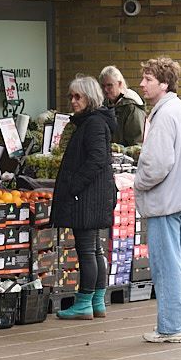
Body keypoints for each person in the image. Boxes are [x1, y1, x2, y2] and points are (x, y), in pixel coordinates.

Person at [133, 57, 181, 344]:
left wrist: (138, 183)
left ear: (164, 83)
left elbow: (157, 164)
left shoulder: (163, 116)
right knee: (179, 263)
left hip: (164, 201)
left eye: (148, 79)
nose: (142, 84)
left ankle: (170, 327)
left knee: (166, 266)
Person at [52, 75, 118, 320]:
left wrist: (73, 186)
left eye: (77, 96)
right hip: (94, 196)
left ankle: (84, 303)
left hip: (87, 198)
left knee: (87, 251)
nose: (73, 101)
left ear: (89, 98)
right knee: (95, 250)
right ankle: (97, 300)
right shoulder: (94, 122)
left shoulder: (93, 124)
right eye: (71, 96)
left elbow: (97, 159)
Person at [100, 65, 146, 146]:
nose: (105, 90)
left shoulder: (131, 107)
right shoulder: (104, 105)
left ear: (120, 84)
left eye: (109, 85)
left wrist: (117, 149)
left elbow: (137, 144)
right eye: (103, 86)